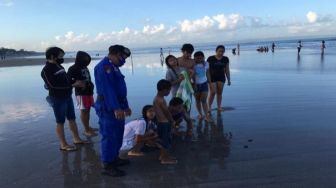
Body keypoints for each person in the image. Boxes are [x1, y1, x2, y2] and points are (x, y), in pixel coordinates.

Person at [41, 47, 90, 152]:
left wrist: (74, 82)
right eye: (60, 56)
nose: (62, 58)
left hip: (67, 96)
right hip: (57, 98)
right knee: (60, 121)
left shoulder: (59, 66)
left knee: (72, 118)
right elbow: (52, 86)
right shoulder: (46, 70)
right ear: (52, 56)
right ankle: (63, 144)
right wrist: (73, 85)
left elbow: (66, 81)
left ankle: (76, 139)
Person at [94, 45, 132, 177]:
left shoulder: (114, 67)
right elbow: (108, 90)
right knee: (109, 136)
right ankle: (107, 165)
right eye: (123, 57)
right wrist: (116, 108)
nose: (124, 60)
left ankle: (114, 158)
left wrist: (125, 106)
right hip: (108, 107)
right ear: (115, 54)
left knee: (118, 133)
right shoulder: (104, 67)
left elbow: (119, 89)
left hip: (118, 105)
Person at [67, 51, 98, 137]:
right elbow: (68, 81)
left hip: (89, 91)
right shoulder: (73, 68)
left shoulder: (84, 67)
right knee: (84, 111)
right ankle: (86, 130)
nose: (87, 62)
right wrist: (76, 83)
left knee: (88, 110)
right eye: (86, 60)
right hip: (81, 93)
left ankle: (88, 127)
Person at [153, 79, 177, 162]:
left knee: (164, 140)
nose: (169, 92)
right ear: (164, 90)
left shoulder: (156, 98)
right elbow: (166, 112)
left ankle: (163, 156)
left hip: (160, 122)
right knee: (165, 141)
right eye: (169, 90)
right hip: (164, 123)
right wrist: (172, 120)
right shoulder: (161, 100)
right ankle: (164, 158)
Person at [207, 45, 231, 114]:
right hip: (212, 78)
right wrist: (208, 79)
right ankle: (209, 107)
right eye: (219, 51)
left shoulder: (225, 59)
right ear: (216, 51)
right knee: (212, 92)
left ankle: (219, 106)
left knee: (219, 93)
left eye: (222, 51)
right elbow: (207, 70)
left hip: (221, 77)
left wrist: (229, 79)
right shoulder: (210, 58)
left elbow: (227, 70)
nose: (221, 53)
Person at [192, 51, 210, 121]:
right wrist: (195, 85)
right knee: (197, 100)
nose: (199, 59)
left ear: (203, 57)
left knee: (204, 100)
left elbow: (208, 73)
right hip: (194, 84)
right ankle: (200, 114)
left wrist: (210, 82)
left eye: (201, 58)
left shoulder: (206, 64)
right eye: (197, 58)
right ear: (194, 58)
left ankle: (206, 116)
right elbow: (192, 76)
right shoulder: (193, 65)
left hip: (204, 84)